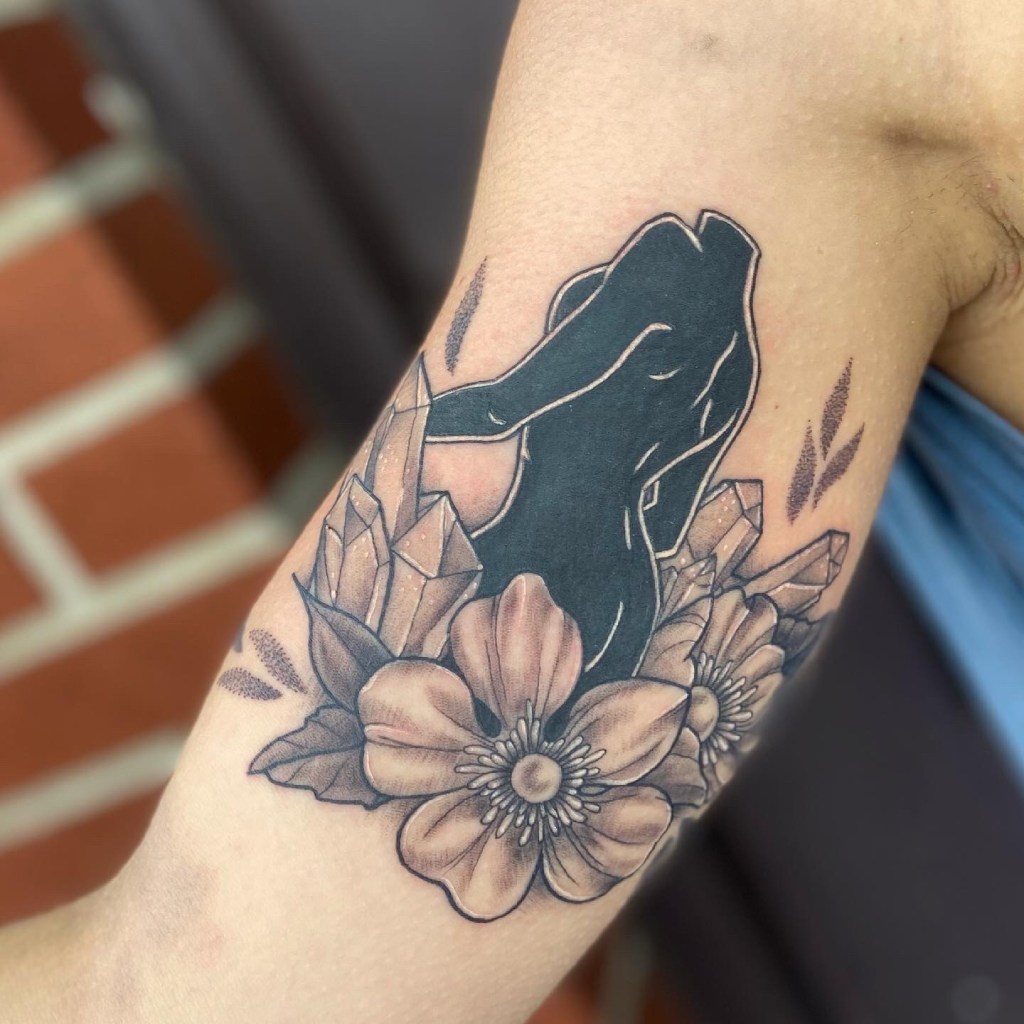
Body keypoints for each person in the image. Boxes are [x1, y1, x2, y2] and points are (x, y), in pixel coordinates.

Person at [2, 2, 1022, 1020]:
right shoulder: (740, 264)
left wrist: (482, 415)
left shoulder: (730, 43)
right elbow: (668, 488)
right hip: (617, 567)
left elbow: (188, 997)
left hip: (551, 563)